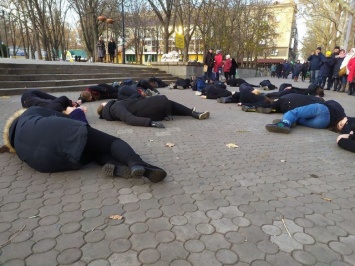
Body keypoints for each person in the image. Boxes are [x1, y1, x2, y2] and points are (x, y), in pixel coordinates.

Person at [1, 106, 167, 182]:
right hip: (60, 132)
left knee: (93, 151)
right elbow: (63, 117)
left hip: (48, 163)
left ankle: (119, 169)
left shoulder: (16, 143)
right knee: (111, 142)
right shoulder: (30, 113)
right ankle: (137, 164)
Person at [97, 95, 210, 127]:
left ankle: (192, 113)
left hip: (152, 110)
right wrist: (149, 123)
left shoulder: (113, 109)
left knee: (168, 104)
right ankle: (193, 113)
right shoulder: (114, 107)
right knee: (167, 103)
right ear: (103, 106)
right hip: (150, 109)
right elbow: (129, 119)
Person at [265, 100, 346, 134]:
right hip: (324, 123)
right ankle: (289, 122)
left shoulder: (332, 103)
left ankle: (284, 123)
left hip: (323, 109)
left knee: (294, 113)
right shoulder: (343, 115)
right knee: (300, 121)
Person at [254, 93, 325, 114]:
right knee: (279, 109)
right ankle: (272, 109)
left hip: (286, 99)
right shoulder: (317, 104)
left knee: (272, 105)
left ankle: (254, 106)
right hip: (290, 108)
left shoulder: (310, 97)